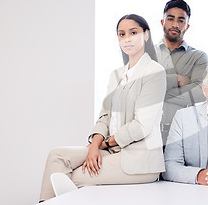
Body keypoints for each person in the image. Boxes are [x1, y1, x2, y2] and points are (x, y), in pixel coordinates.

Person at [39, 14, 166, 201]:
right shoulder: (116, 75)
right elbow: (103, 117)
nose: (127, 38)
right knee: (57, 156)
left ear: (146, 35)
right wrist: (93, 147)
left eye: (133, 32)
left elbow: (141, 126)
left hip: (140, 160)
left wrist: (104, 144)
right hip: (111, 150)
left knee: (74, 177)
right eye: (121, 34)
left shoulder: (155, 72)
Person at [155, 0, 208, 144]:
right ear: (162, 22)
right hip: (149, 135)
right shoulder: (146, 55)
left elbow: (200, 92)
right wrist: (176, 80)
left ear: (187, 26)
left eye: (181, 20)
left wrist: (156, 93)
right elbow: (138, 88)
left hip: (182, 136)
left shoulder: (198, 57)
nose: (175, 24)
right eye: (170, 19)